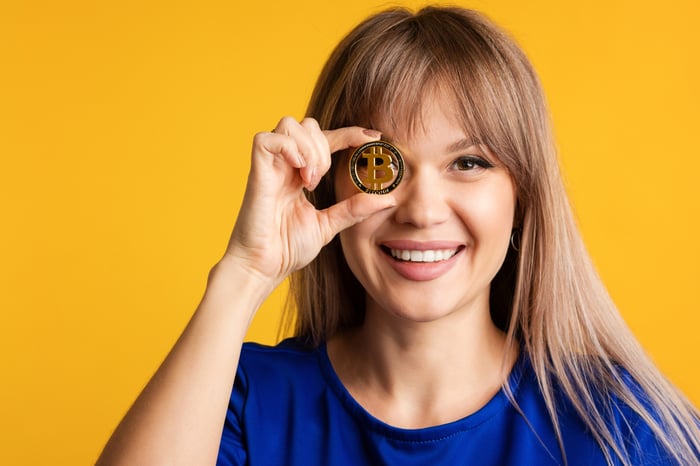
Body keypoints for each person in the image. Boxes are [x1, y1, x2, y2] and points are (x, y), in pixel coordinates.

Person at [96, 6, 699, 465]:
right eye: (382, 163)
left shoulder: (622, 426)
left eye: (469, 162)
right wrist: (246, 272)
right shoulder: (242, 401)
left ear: (523, 196)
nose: (421, 210)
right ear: (329, 183)